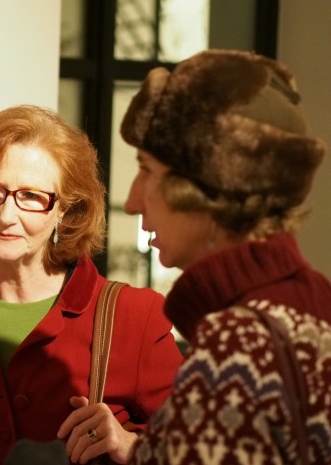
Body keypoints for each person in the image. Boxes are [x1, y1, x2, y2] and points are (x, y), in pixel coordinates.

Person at [65, 49, 331, 463]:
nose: (133, 201)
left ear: (205, 188)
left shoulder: (239, 345)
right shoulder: (313, 299)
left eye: (147, 170)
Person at [0, 104, 184, 465]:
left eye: (30, 196)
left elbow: (203, 450)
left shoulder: (136, 316)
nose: (6, 215)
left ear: (64, 209)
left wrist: (134, 447)